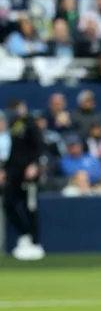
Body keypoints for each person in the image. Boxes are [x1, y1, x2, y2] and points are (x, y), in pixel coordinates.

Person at [3, 100, 45, 260]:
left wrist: (34, 165)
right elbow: (14, 152)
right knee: (8, 203)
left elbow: (39, 146)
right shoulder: (15, 127)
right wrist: (5, 170)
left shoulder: (31, 125)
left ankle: (35, 242)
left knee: (30, 207)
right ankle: (25, 234)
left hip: (29, 174)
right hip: (14, 173)